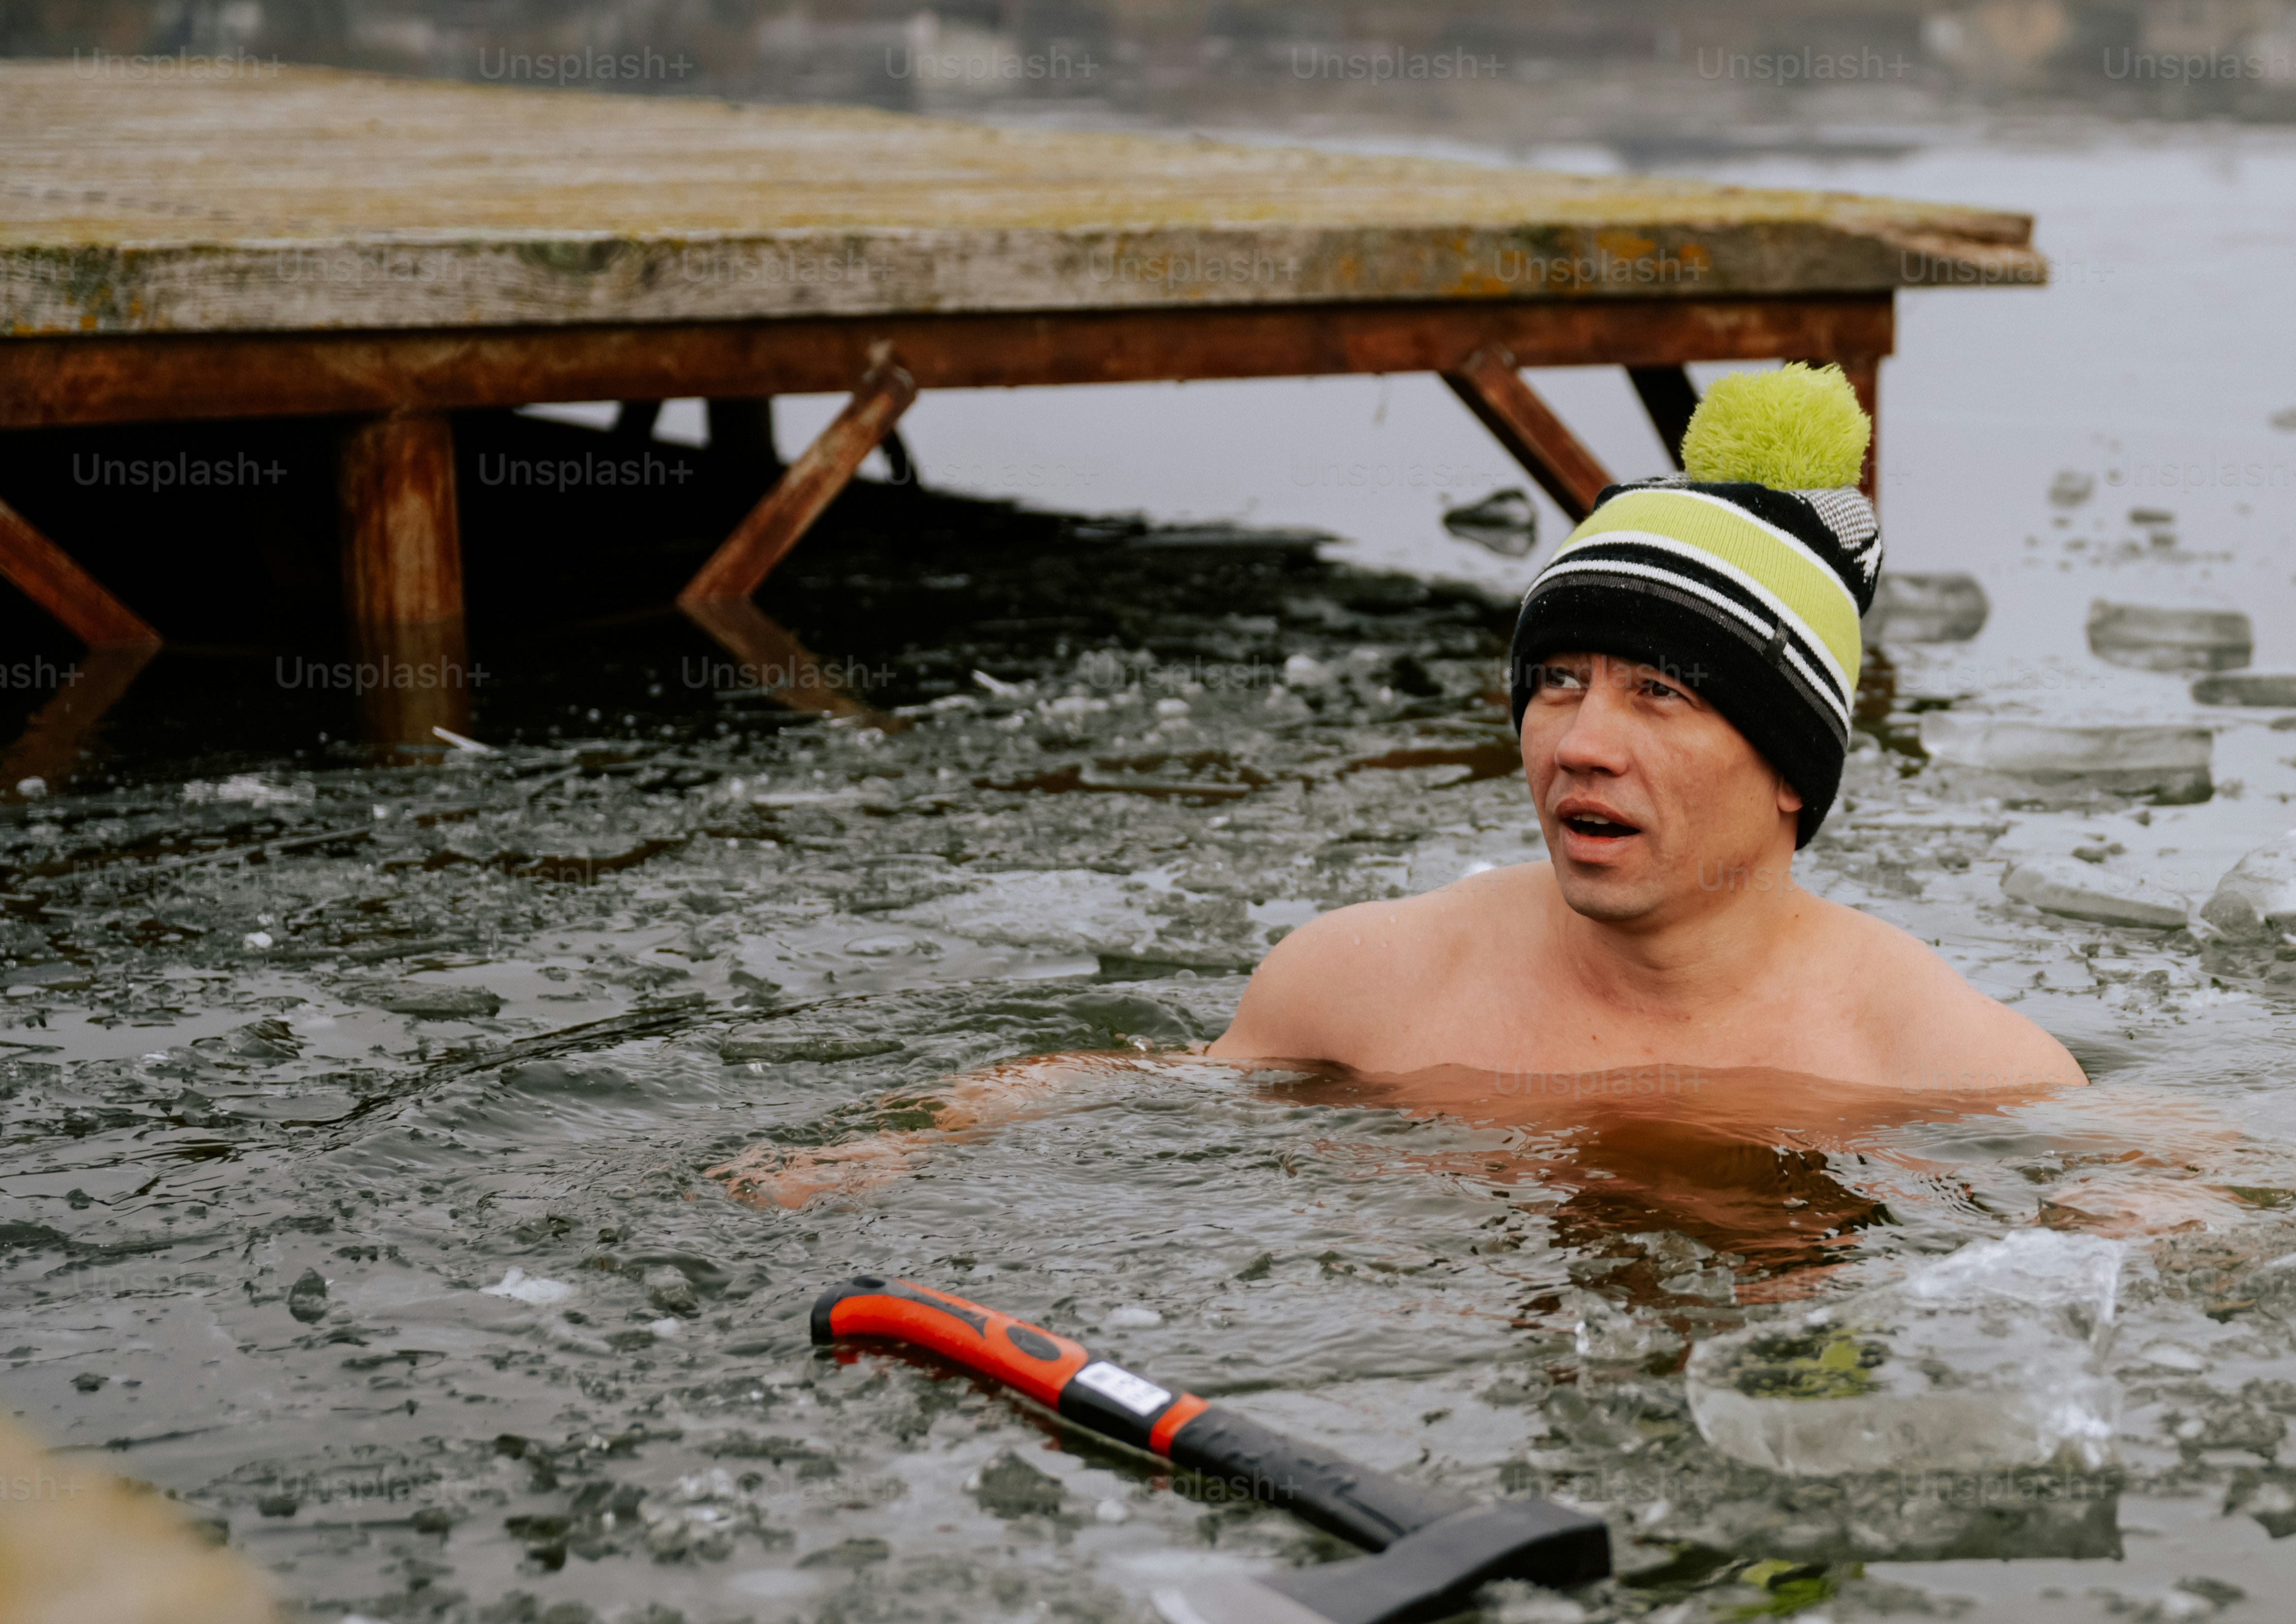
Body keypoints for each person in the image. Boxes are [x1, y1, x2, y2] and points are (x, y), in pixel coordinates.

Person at [726, 366, 2090, 1218]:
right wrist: (909, 1139)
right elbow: (1145, 1091)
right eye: (1556, 682)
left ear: (1793, 770)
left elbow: (2165, 1178)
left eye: (1657, 694)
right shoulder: (1361, 985)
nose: (1580, 742)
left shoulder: (1929, 1060)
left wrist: (2175, 1225)